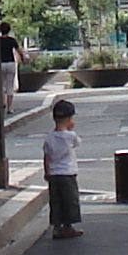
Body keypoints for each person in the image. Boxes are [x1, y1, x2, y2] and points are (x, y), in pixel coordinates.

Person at [41, 97, 83, 239]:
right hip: (68, 173)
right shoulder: (71, 136)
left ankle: (56, 227)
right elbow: (77, 143)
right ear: (69, 119)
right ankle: (68, 226)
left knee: (56, 201)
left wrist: (47, 172)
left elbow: (46, 156)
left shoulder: (49, 137)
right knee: (70, 199)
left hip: (53, 174)